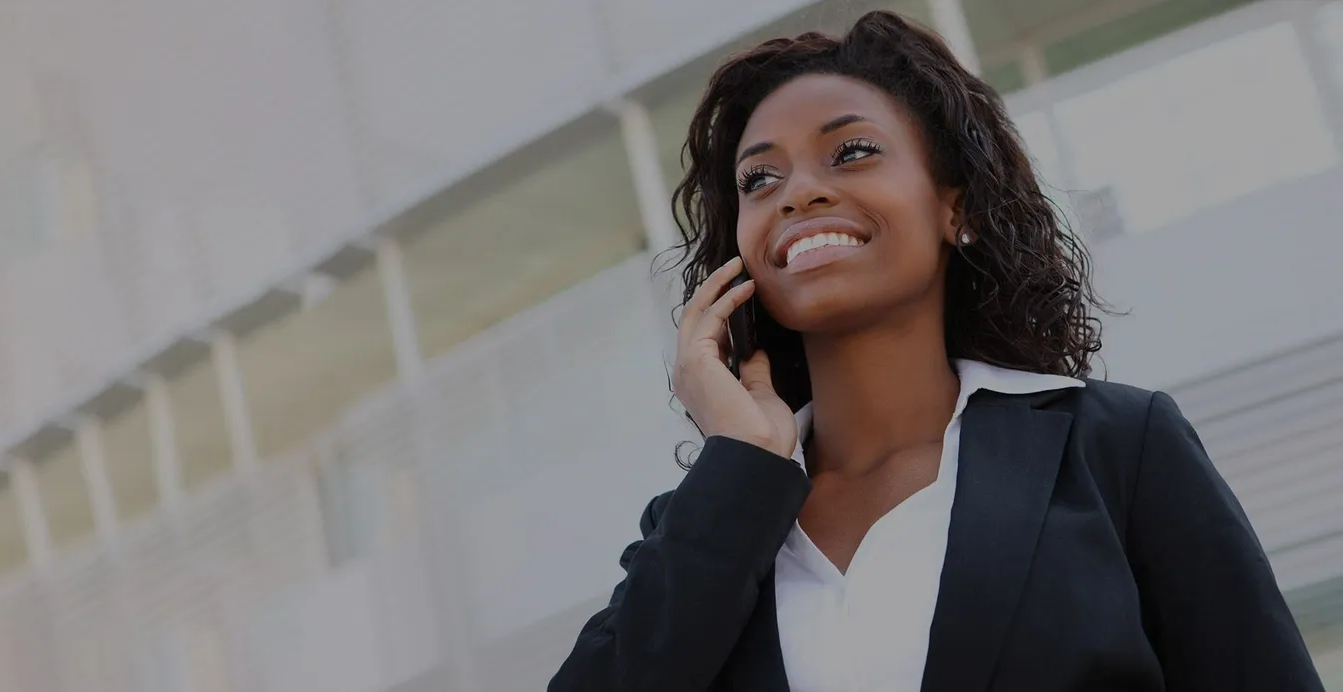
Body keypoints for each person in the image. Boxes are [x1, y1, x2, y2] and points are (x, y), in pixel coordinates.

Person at [548, 9, 1324, 692]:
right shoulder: (705, 520)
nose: (797, 192)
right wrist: (741, 469)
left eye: (850, 152)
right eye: (759, 178)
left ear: (958, 208)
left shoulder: (1116, 448)